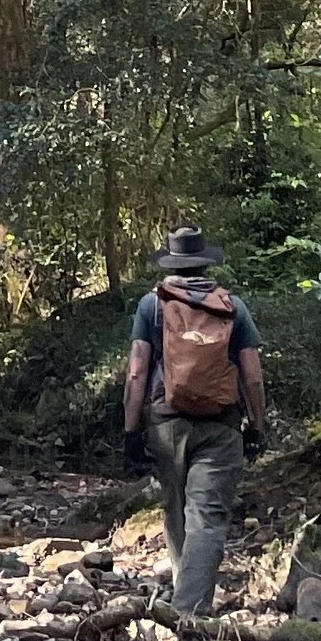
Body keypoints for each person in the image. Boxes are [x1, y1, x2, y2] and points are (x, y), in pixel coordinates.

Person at [120, 225, 266, 614]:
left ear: (171, 263)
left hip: (166, 423)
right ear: (204, 263)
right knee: (208, 516)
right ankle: (191, 605)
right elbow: (252, 374)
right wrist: (257, 425)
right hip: (221, 426)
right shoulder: (233, 307)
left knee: (176, 508)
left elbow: (137, 371)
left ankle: (186, 604)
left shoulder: (152, 306)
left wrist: (131, 429)